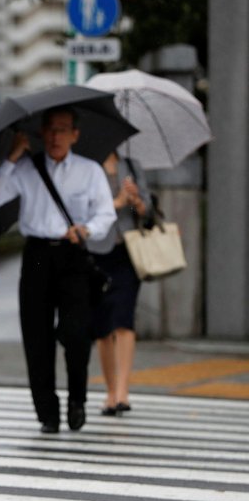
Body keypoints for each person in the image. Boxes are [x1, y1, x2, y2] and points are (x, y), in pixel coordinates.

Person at [0, 106, 116, 434]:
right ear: (41, 134)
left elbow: (106, 213)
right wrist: (13, 156)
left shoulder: (89, 171)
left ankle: (77, 400)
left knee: (75, 332)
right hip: (37, 254)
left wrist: (87, 230)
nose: (55, 136)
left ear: (75, 134)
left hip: (73, 254)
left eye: (62, 129)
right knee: (36, 335)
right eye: (50, 130)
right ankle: (47, 412)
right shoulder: (27, 167)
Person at [88, 151, 152, 416]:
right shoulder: (88, 166)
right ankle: (111, 391)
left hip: (127, 250)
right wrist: (116, 202)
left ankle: (123, 393)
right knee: (102, 326)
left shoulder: (132, 164)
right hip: (96, 252)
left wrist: (136, 200)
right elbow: (81, 211)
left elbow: (147, 211)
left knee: (124, 319)